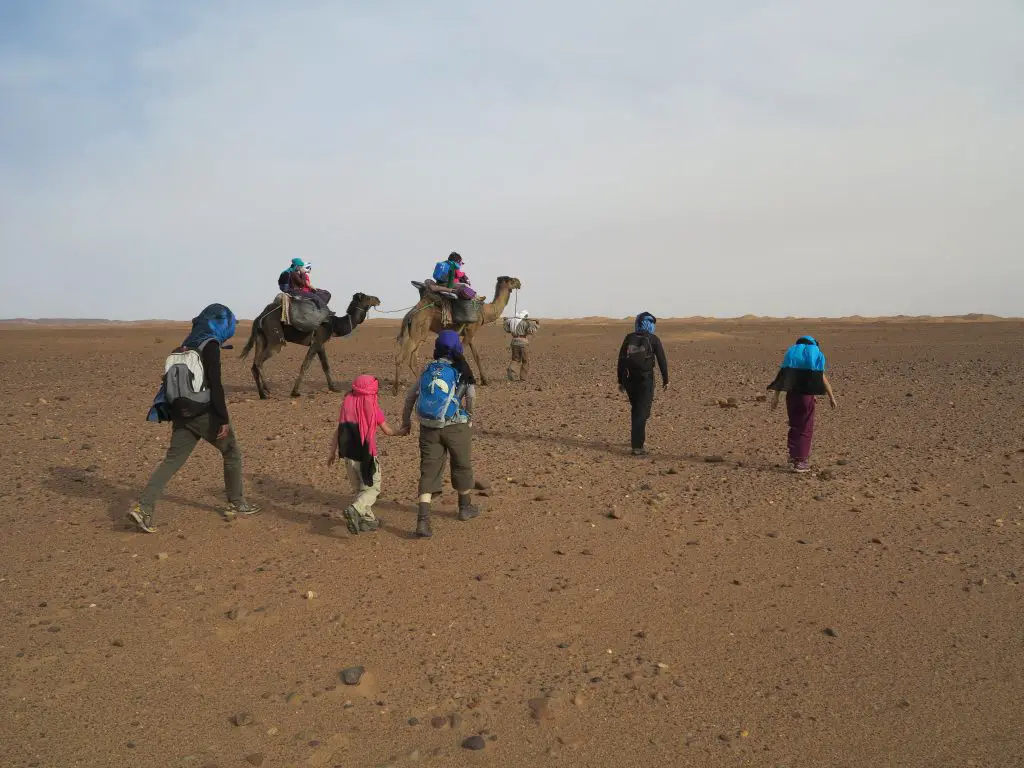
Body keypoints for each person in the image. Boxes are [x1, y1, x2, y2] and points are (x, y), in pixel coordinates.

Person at [128, 304, 260, 533]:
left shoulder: (182, 347)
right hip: (202, 412)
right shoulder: (209, 346)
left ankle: (143, 508)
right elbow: (216, 386)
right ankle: (237, 502)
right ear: (219, 323)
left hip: (181, 412)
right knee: (231, 451)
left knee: (172, 460)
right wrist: (223, 419)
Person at [401, 330, 480, 538]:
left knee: (428, 470)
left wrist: (406, 421)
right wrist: (469, 416)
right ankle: (465, 508)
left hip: (429, 427)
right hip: (456, 426)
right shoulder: (462, 369)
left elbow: (410, 396)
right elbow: (470, 396)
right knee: (461, 464)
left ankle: (423, 521)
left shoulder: (429, 369)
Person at [326, 375, 408, 534]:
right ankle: (355, 509)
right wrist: (402, 432)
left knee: (361, 490)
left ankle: (368, 521)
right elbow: (388, 431)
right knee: (372, 489)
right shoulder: (373, 408)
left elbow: (338, 431)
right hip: (367, 457)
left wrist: (332, 452)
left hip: (349, 457)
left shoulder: (346, 405)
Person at [767, 335, 837, 472]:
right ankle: (801, 462)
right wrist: (832, 397)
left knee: (795, 425)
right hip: (806, 399)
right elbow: (824, 381)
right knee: (805, 428)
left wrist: (775, 398)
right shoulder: (812, 363)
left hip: (791, 398)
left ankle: (793, 456)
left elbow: (781, 379)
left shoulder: (792, 362)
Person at [617, 311, 669, 456]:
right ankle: (637, 446)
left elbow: (621, 360)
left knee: (638, 409)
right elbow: (662, 360)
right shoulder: (653, 339)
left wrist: (620, 381)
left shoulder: (629, 338)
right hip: (646, 379)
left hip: (629, 379)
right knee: (641, 411)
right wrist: (666, 379)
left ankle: (637, 435)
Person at [504, 310, 539, 381]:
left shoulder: (512, 322)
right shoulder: (525, 322)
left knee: (515, 359)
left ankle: (511, 369)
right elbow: (531, 331)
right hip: (523, 343)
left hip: (514, 342)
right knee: (525, 361)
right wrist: (537, 323)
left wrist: (505, 321)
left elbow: (507, 330)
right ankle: (523, 378)